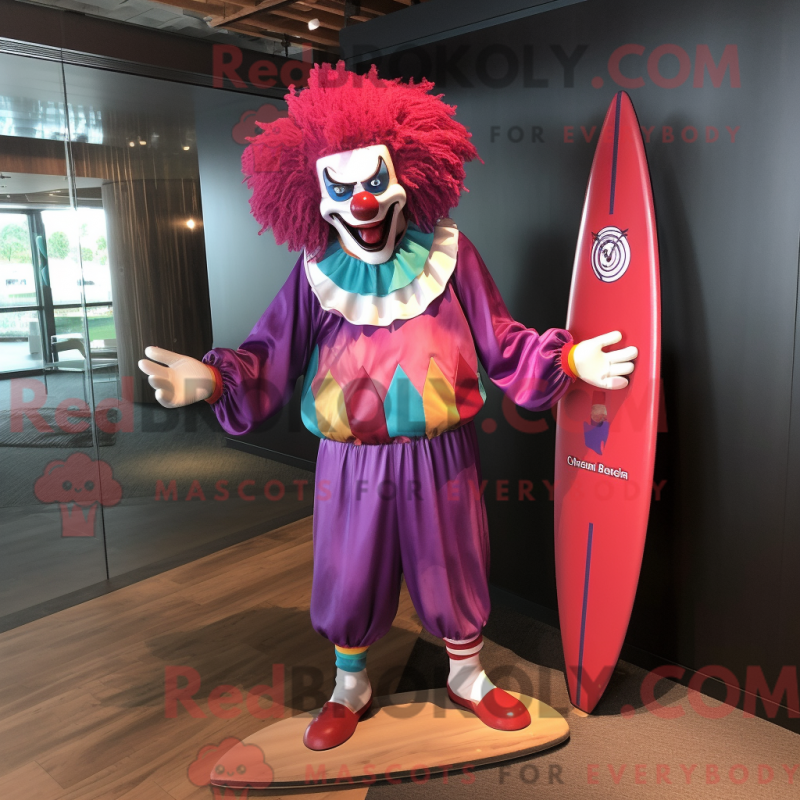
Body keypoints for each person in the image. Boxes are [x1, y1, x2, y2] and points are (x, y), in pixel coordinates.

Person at [139, 62, 637, 751]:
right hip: (350, 458)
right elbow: (270, 352)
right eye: (343, 189)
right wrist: (217, 380)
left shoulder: (451, 255)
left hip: (442, 450)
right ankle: (350, 685)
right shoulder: (315, 273)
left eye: (375, 182)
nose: (364, 203)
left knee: (455, 559)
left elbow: (502, 339)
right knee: (348, 570)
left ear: (407, 175)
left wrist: (570, 361)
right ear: (314, 194)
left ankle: (467, 675)